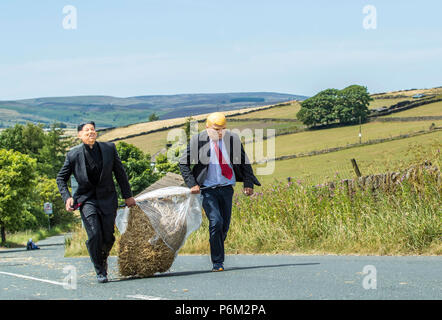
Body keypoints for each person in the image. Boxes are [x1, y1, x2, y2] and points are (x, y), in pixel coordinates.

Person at [179, 112, 260, 272]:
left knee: (224, 226)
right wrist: (192, 184)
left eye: (223, 129)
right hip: (207, 190)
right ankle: (218, 262)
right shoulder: (198, 140)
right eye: (216, 129)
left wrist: (248, 183)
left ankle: (216, 243)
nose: (220, 132)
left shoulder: (232, 140)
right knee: (216, 222)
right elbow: (183, 163)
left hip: (226, 188)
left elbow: (244, 162)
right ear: (207, 127)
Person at [56, 121, 136, 283]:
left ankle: (102, 257)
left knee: (108, 237)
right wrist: (67, 197)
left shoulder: (109, 149)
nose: (91, 132)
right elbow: (61, 178)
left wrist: (128, 196)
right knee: (94, 234)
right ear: (80, 135)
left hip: (108, 198)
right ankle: (100, 270)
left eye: (93, 130)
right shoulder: (73, 155)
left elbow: (120, 174)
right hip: (86, 200)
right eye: (86, 131)